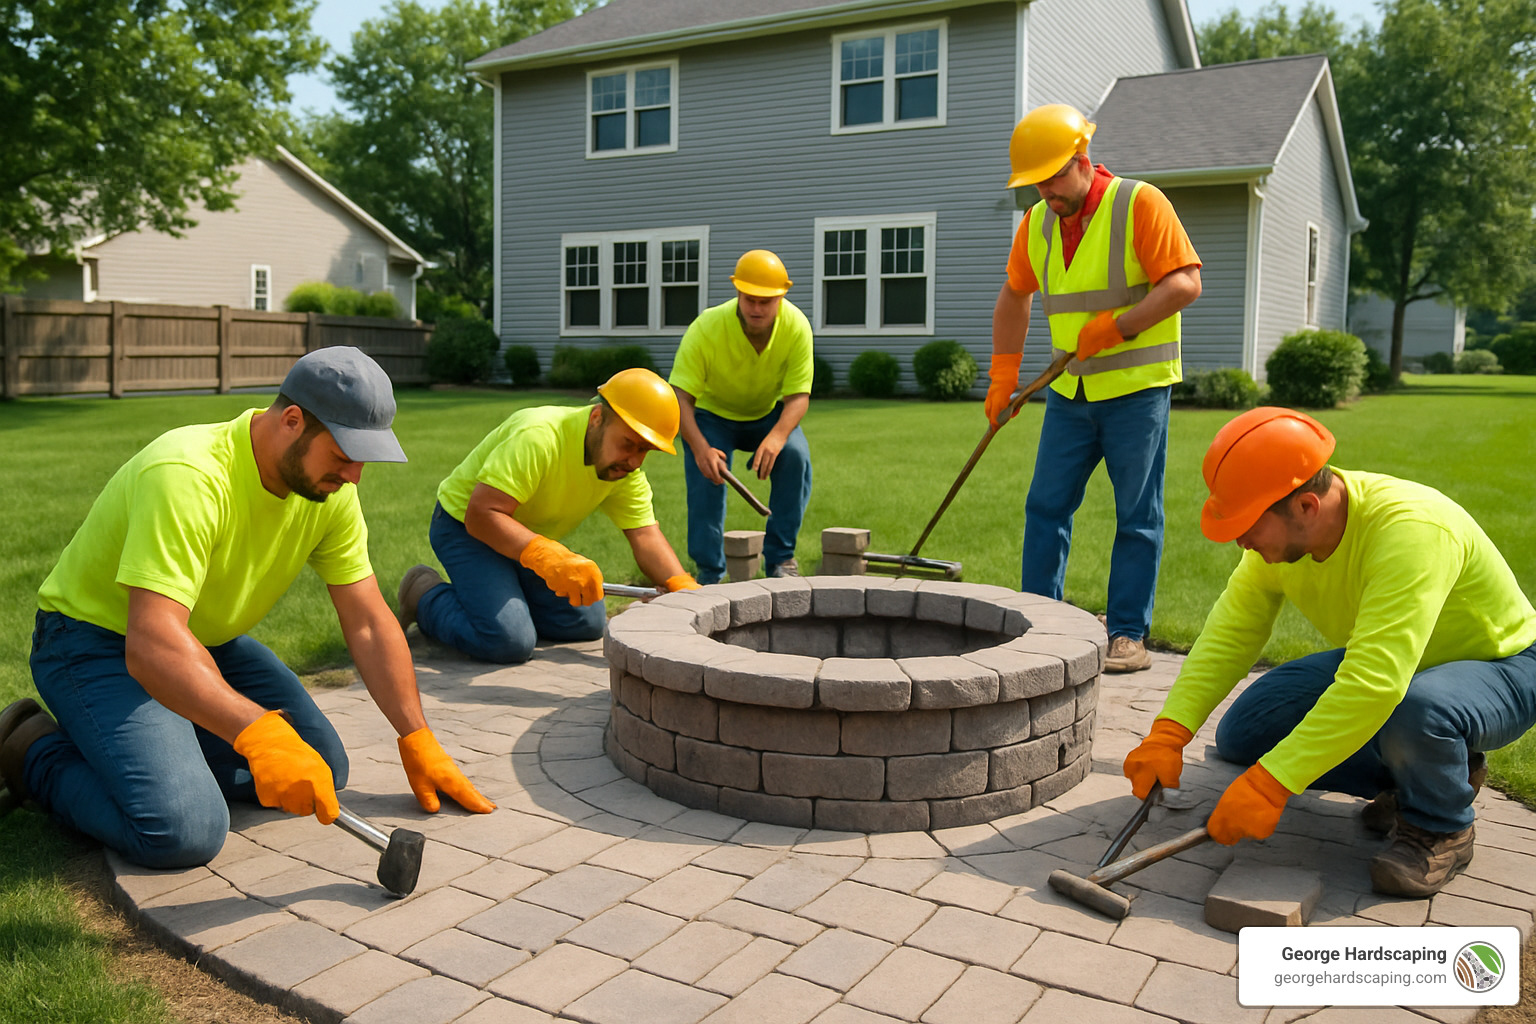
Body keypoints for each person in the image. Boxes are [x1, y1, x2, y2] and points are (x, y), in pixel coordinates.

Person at [0, 347, 494, 870]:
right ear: (292, 421)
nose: (354, 476)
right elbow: (151, 644)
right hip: (94, 643)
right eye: (343, 454)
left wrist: (416, 735)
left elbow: (369, 621)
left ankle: (158, 740)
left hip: (200, 641)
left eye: (364, 459)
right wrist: (255, 731)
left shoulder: (330, 495)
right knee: (185, 828)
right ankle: (32, 751)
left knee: (323, 768)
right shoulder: (188, 474)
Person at [1122, 407, 1536, 897]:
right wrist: (1170, 732)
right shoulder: (1276, 543)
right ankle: (1424, 775)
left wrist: (1273, 783)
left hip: (1501, 666)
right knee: (1246, 730)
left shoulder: (1412, 529)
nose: (1240, 540)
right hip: (1398, 659)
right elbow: (1230, 634)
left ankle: (1441, 825)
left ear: (1306, 507)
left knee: (1418, 710)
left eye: (1249, 524)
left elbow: (1373, 684)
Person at [988, 103, 1203, 673]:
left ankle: (1128, 634)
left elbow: (1185, 283)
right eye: (1036, 183)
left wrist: (1118, 327)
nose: (1047, 193)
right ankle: (1041, 624)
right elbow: (1015, 294)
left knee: (1136, 515)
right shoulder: (1037, 224)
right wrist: (1004, 374)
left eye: (1054, 178)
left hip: (1137, 393)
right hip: (1070, 394)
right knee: (1045, 505)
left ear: (1082, 159)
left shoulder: (1139, 203)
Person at [397, 368, 698, 664]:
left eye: (645, 450)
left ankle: (507, 604)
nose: (634, 461)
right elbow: (482, 514)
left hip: (523, 539)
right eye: (628, 443)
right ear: (597, 418)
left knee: (587, 622)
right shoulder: (538, 436)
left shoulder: (622, 471)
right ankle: (424, 594)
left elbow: (645, 535)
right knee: (509, 641)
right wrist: (546, 556)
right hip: (465, 526)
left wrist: (683, 588)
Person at [669, 249, 814, 583]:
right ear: (737, 291)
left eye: (766, 301)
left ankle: (781, 560)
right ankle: (709, 574)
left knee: (795, 455)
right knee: (705, 476)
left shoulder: (797, 327)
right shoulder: (706, 327)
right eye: (750, 299)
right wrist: (701, 449)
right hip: (713, 417)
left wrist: (777, 438)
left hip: (766, 415)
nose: (756, 309)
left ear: (781, 296)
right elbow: (680, 397)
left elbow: (798, 397)